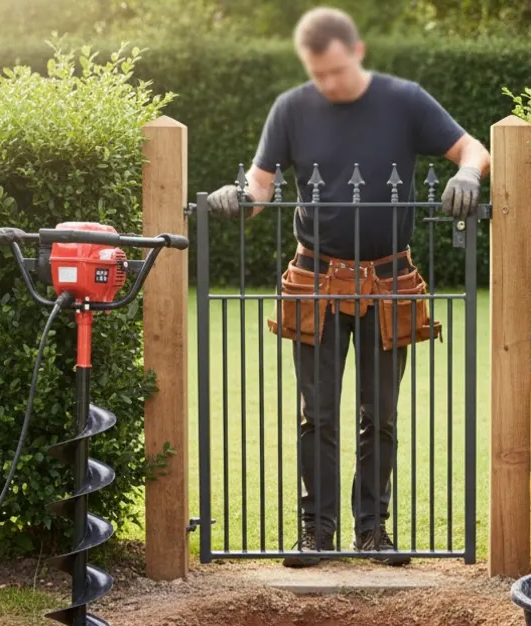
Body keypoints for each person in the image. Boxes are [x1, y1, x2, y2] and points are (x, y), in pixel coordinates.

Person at [205, 6, 490, 567]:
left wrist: (465, 174)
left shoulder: (404, 100)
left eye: (335, 71)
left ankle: (373, 532)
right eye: (318, 75)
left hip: (389, 281)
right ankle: (316, 533)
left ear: (356, 52)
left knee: (379, 414)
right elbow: (260, 187)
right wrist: (235, 195)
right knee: (318, 414)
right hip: (315, 280)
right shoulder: (290, 108)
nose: (328, 84)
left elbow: (473, 148)